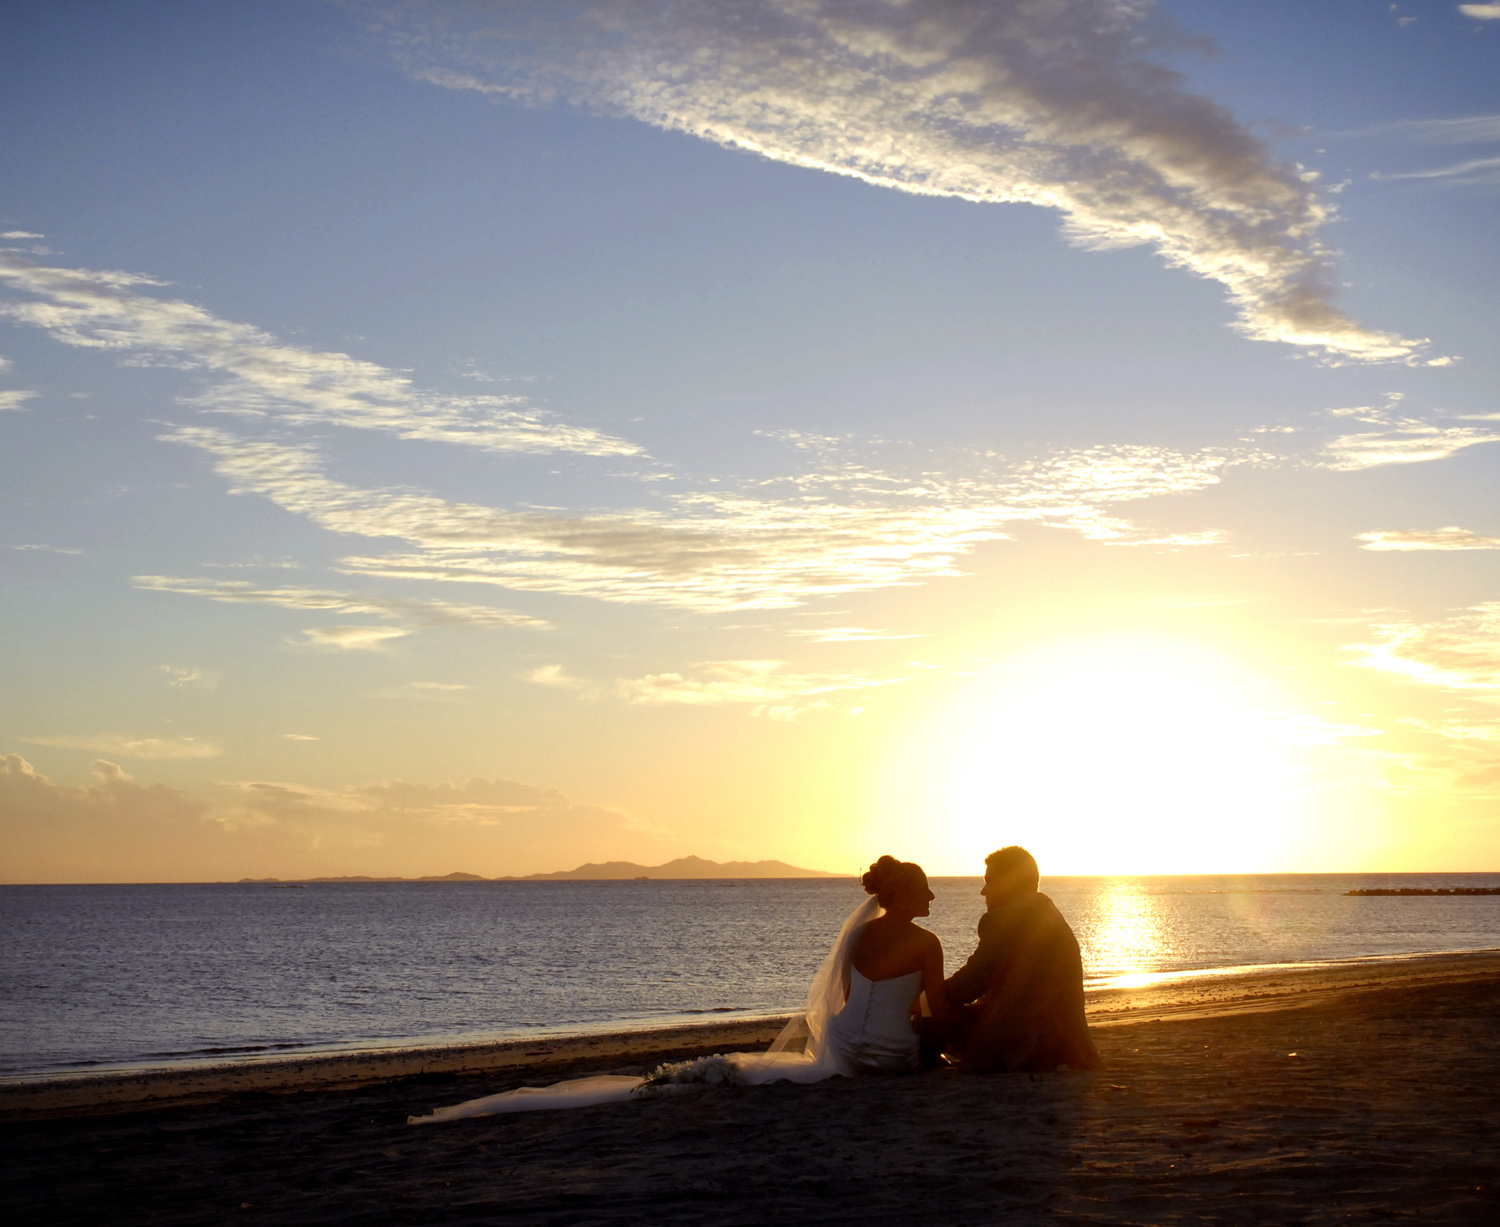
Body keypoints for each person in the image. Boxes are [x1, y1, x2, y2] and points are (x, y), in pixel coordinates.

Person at [410, 855, 945, 1123]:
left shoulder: (857, 936)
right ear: (904, 894)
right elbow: (938, 1013)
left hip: (847, 1047)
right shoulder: (928, 944)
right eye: (925, 891)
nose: (933, 899)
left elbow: (846, 1002)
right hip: (888, 1058)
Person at [940, 846, 1102, 1073]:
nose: (983, 891)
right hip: (1069, 1046)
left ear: (1009, 881)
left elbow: (969, 985)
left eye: (990, 881)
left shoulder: (1005, 918)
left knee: (931, 1011)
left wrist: (927, 994)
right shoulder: (1046, 910)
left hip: (1028, 1045)